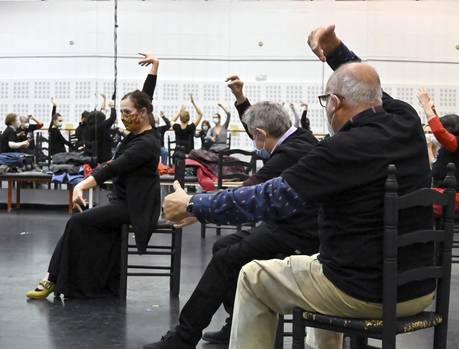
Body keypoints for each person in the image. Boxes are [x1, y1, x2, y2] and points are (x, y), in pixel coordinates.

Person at [161, 24, 436, 349]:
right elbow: (369, 89)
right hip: (420, 288)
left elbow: (268, 198)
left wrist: (194, 205)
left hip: (362, 291)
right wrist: (334, 50)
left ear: (333, 102)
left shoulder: (340, 149)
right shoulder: (405, 119)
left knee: (251, 277)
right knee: (316, 266)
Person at [143, 93, 320, 349]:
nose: (255, 143)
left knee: (225, 259)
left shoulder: (288, 154)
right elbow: (259, 136)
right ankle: (236, 323)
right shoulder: (300, 137)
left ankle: (183, 338)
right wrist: (240, 99)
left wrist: (194, 207)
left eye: (254, 136)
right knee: (222, 248)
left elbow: (249, 191)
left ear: (260, 133)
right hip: (290, 226)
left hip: (296, 234)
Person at [25, 53, 161, 300]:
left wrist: (81, 186)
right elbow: (147, 96)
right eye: (120, 111)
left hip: (136, 207)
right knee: (84, 223)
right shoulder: (142, 124)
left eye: (127, 111)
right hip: (123, 201)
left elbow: (114, 167)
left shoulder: (146, 143)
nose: (123, 116)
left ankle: (51, 279)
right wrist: (155, 67)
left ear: (142, 113)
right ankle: (87, 282)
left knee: (76, 222)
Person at [418, 89, 459, 215]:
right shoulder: (456, 145)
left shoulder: (457, 144)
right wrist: (431, 108)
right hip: (451, 195)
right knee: (413, 200)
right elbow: (441, 128)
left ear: (450, 131)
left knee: (412, 205)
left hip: (458, 198)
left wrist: (425, 106)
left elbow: (440, 131)